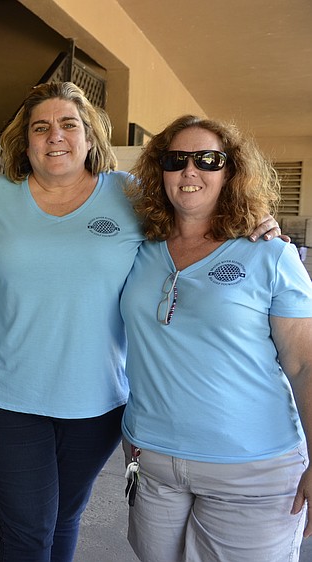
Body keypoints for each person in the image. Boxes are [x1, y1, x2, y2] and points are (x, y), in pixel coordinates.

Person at [0, 82, 283, 561]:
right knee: (28, 528)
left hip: (97, 400)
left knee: (65, 517)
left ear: (90, 138)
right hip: (5, 393)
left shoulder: (130, 195)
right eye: (40, 128)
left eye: (69, 124)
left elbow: (198, 213)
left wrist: (256, 222)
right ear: (26, 143)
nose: (55, 136)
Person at [120, 115, 312, 561]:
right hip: (152, 461)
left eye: (208, 159)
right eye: (176, 160)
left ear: (230, 173)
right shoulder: (137, 248)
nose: (191, 170)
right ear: (160, 172)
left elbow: (303, 364)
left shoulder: (270, 254)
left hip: (252, 469)